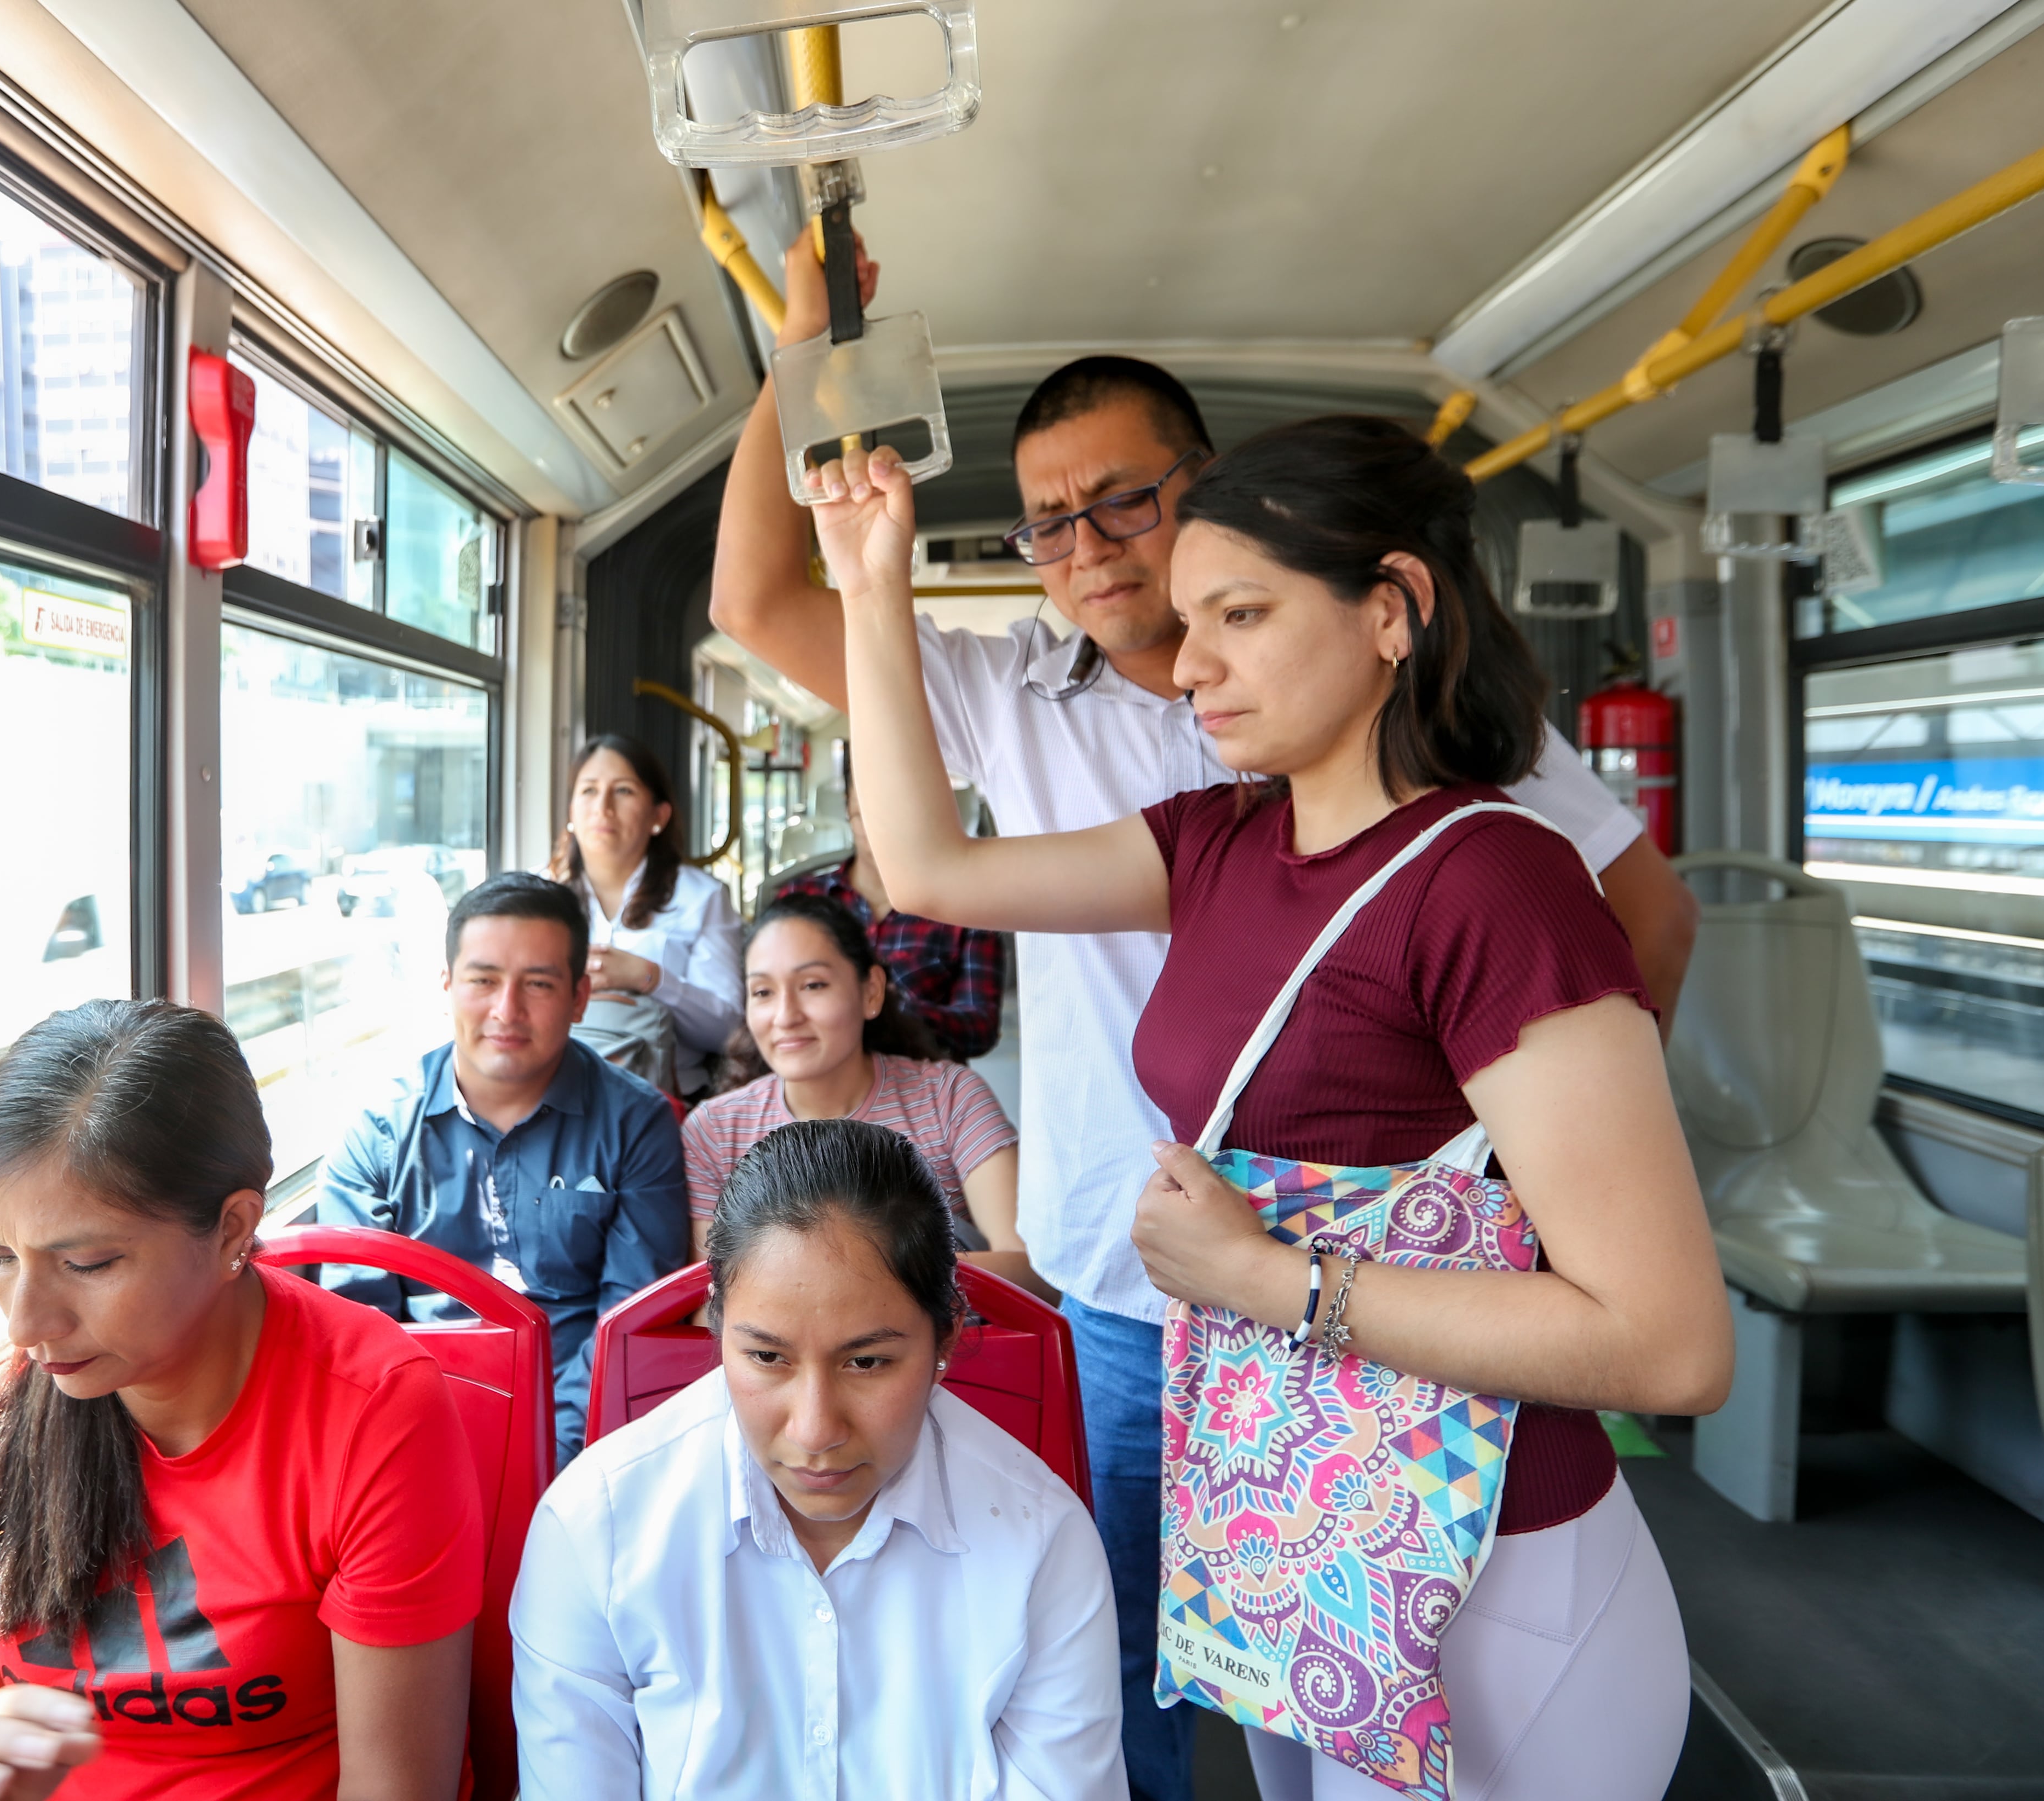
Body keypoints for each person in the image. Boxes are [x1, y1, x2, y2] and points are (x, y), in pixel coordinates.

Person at [709, 241, 1702, 1800]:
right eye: (1191, 617)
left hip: (1451, 1495)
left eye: (1235, 611)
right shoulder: (1223, 838)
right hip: (1241, 1411)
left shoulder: (1490, 866)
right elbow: (930, 865)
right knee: (1150, 1676)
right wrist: (869, 560)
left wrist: (1487, 1186)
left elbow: (1664, 1335)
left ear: (1388, 614)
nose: (1194, 667)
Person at [0, 998, 483, 1801]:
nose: (26, 1324)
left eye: (87, 1263)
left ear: (231, 1230)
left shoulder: (371, 1413)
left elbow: (396, 1786)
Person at [510, 1118, 1127, 1801]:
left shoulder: (1042, 1543)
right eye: (766, 1356)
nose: (814, 1430)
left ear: (946, 1337)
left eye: (866, 1362)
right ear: (718, 1326)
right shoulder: (596, 1529)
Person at [321, 871, 690, 1461]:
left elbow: (628, 1325)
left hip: (586, 1438)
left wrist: (552, 1465)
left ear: (579, 997)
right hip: (417, 1434)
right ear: (447, 985)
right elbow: (357, 1328)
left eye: (538, 984)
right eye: (483, 980)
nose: (506, 1009)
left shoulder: (637, 1124)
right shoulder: (379, 1131)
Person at [684, 891, 1039, 1297]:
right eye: (763, 992)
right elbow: (705, 1300)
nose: (786, 1016)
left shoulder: (951, 1098)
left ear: (871, 992)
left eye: (813, 985)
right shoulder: (713, 1130)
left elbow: (1031, 1273)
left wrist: (846, 1278)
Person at [549, 735, 744, 1096]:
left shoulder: (702, 897)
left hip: (666, 1098)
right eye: (589, 790)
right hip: (552, 1096)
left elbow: (729, 1030)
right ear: (571, 811)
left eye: (623, 791)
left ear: (659, 815)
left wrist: (651, 978)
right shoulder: (535, 896)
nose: (603, 807)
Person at [778, 759, 1006, 1061]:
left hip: (923, 1082)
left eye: (895, 813)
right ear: (848, 810)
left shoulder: (966, 907)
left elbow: (980, 1028)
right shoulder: (800, 901)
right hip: (819, 1075)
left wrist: (892, 1008)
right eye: (865, 814)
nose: (880, 829)